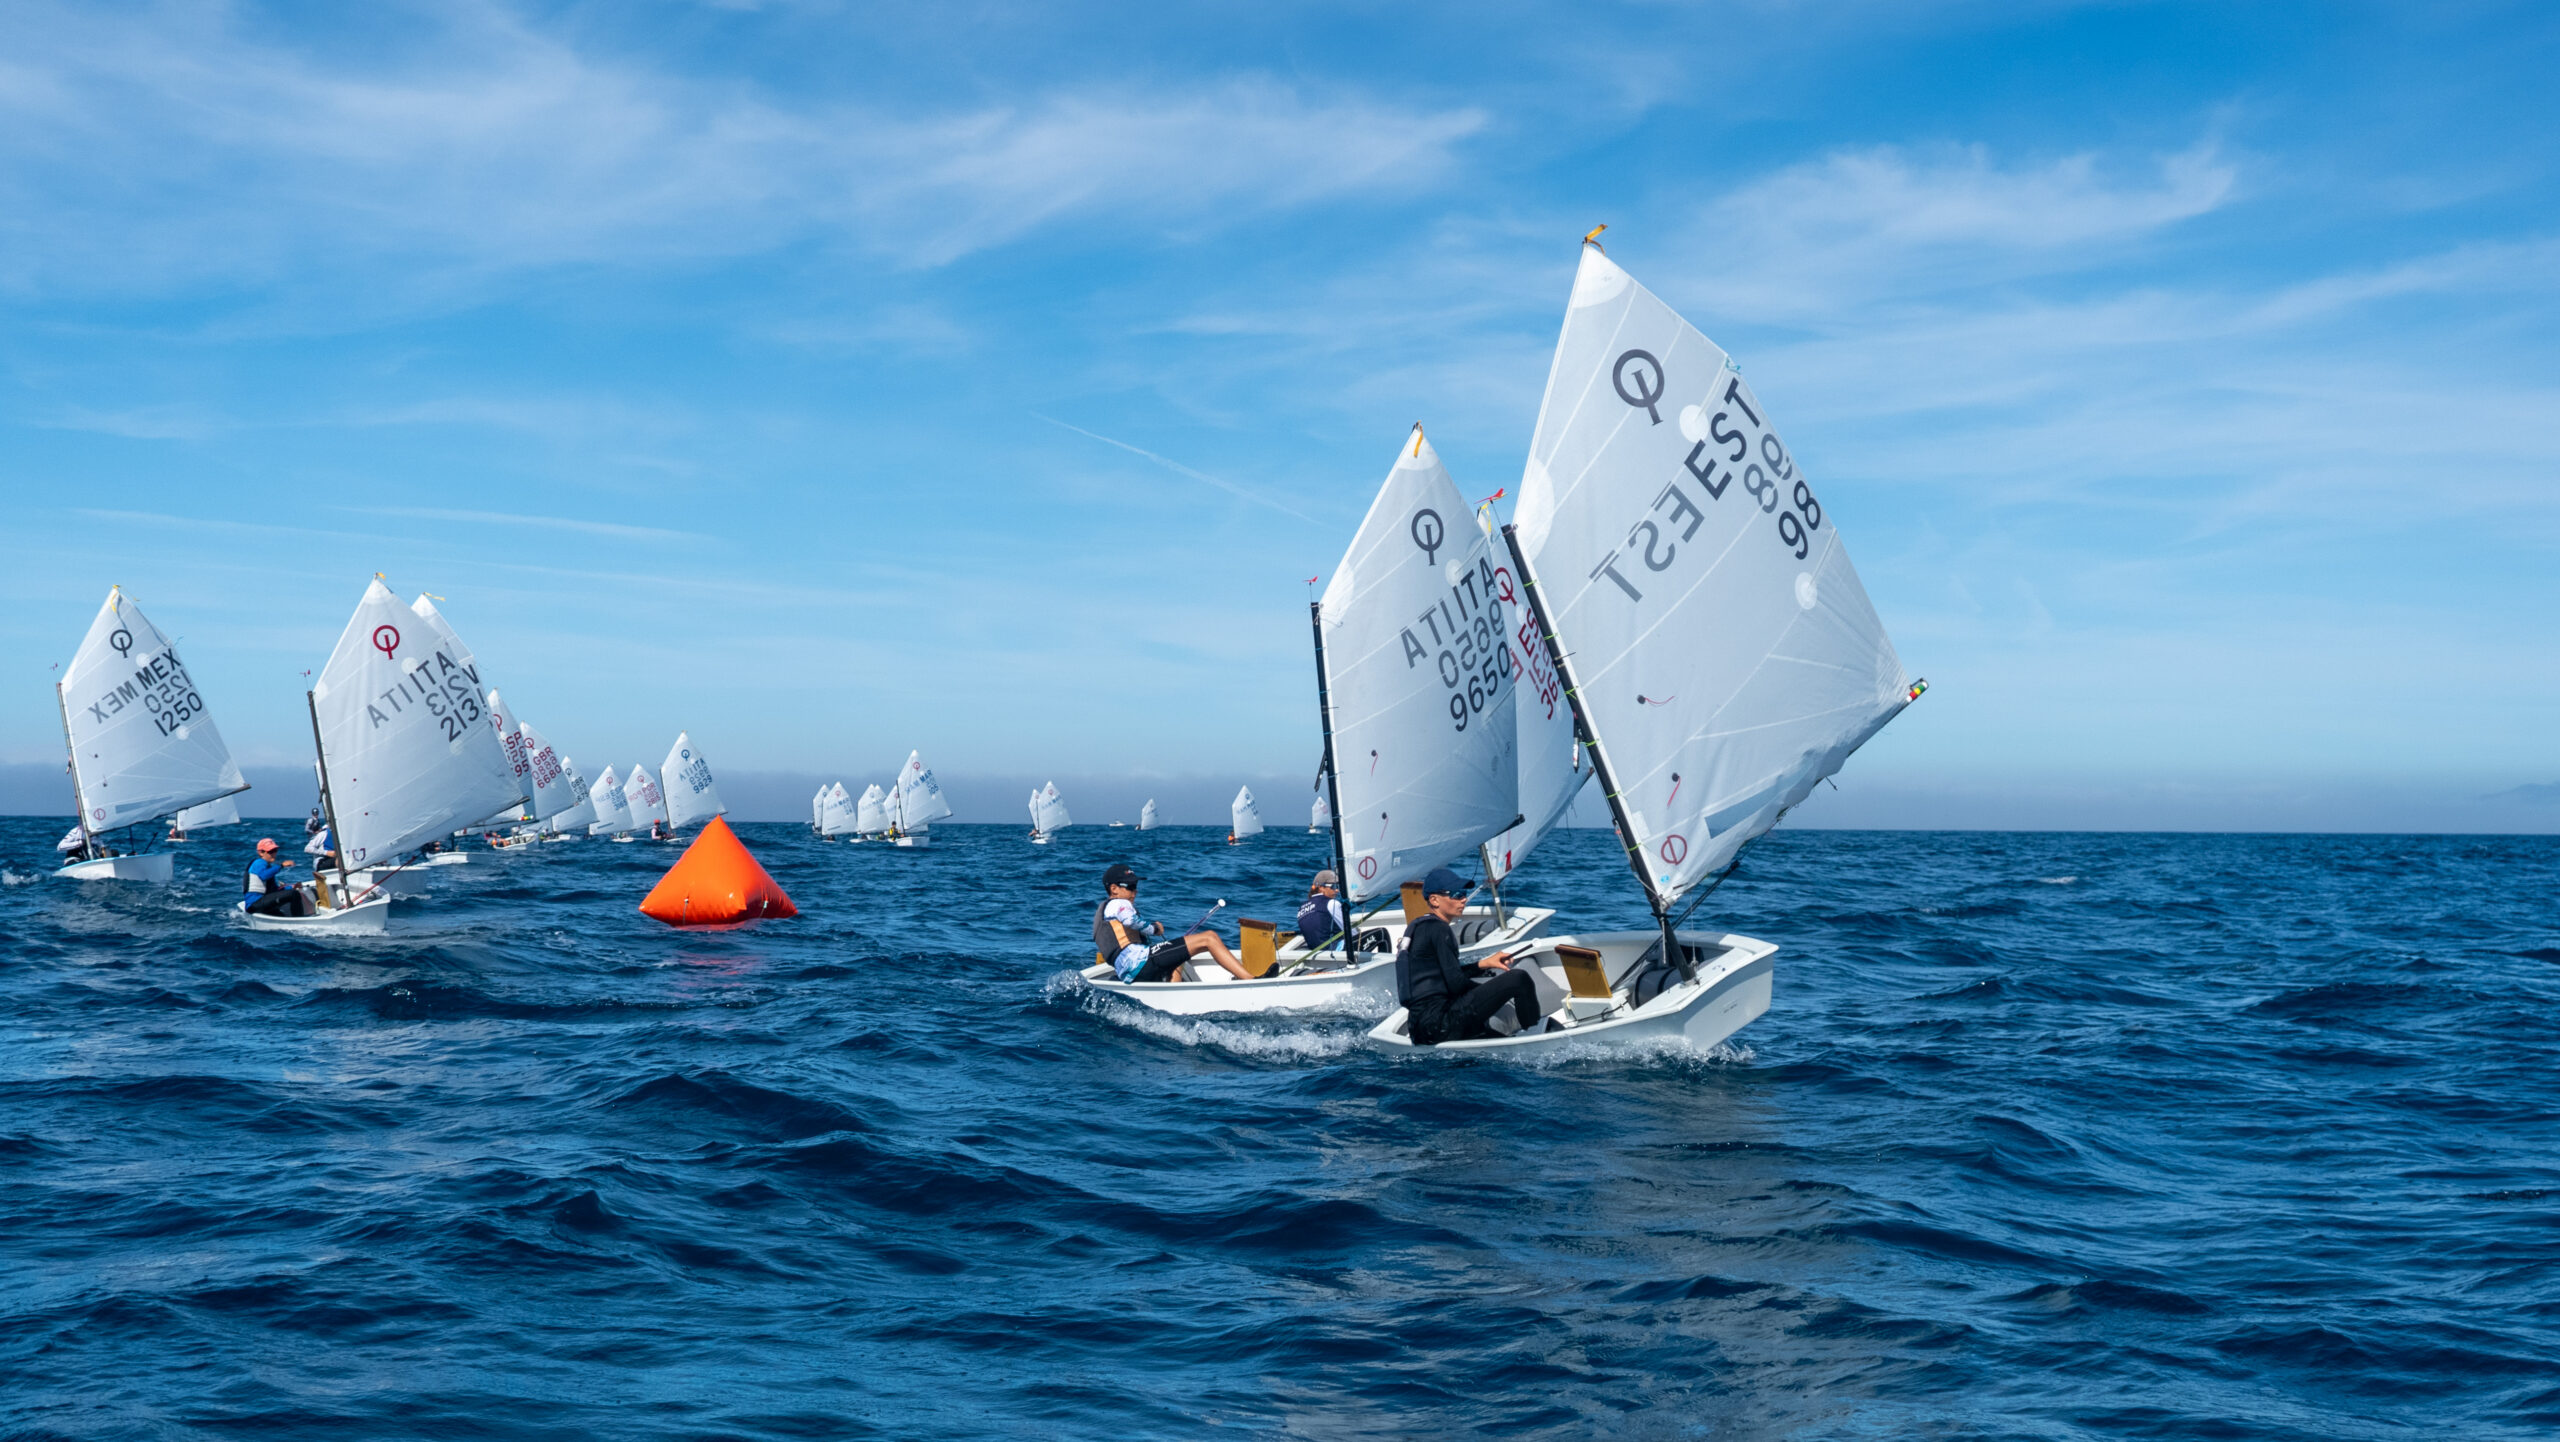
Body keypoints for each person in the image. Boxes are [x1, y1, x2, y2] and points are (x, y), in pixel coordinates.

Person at [1398, 866, 1545, 1044]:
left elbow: (1445, 976)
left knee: (1495, 1038)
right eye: (1457, 894)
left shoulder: (1419, 927)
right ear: (1435, 900)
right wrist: (1495, 991)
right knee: (1518, 978)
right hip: (1442, 1023)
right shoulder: (1440, 929)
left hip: (1420, 1030)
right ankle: (1534, 1036)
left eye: (1464, 893)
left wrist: (1483, 964)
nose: (1464, 899)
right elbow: (1456, 985)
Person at [1093, 863, 1254, 983]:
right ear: (1114, 889)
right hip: (1140, 963)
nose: (1135, 891)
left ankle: (1174, 993)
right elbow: (1130, 920)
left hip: (1130, 971)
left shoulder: (1105, 911)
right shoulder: (1118, 903)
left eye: (1136, 887)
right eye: (1131, 886)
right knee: (1209, 938)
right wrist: (1155, 929)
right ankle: (1249, 980)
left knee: (1179, 956)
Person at [239, 838, 308, 917]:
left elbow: (274, 890)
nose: (274, 854)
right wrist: (281, 865)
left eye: (275, 850)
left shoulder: (267, 867)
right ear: (261, 853)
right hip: (255, 903)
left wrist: (291, 887)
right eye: (270, 851)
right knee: (293, 894)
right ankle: (298, 919)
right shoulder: (259, 862)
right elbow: (264, 876)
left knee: (282, 914)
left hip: (261, 902)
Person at [1296, 870, 1347, 951]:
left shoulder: (1301, 908)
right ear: (1321, 887)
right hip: (1336, 952)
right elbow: (1349, 931)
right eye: (1333, 887)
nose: (1337, 890)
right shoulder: (1332, 903)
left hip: (1316, 953)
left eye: (1338, 886)